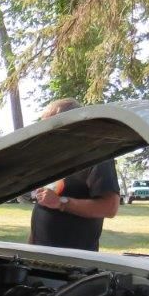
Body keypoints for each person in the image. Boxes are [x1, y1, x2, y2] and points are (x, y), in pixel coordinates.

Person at [30, 98, 121, 251]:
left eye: (49, 126)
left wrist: (61, 202)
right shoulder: (51, 158)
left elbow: (110, 207)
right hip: (39, 255)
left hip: (75, 261)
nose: (45, 133)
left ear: (71, 125)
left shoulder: (96, 155)